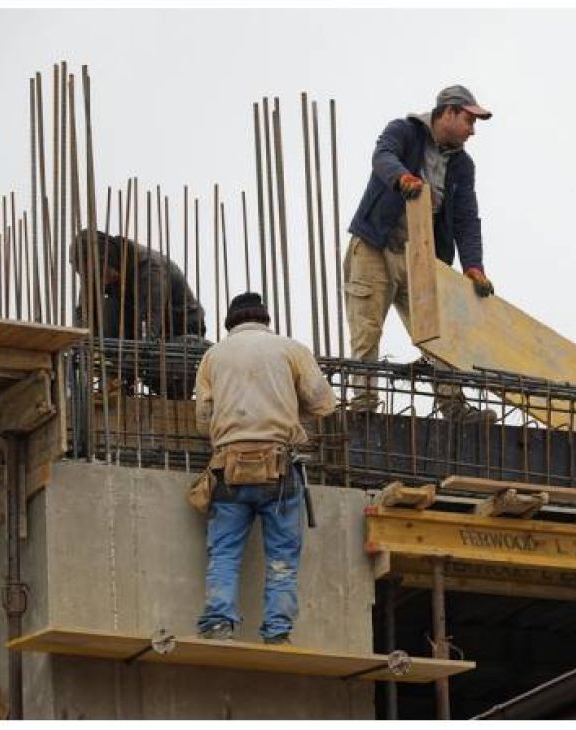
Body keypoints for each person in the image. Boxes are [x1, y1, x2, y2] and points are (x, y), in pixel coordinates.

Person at [344, 84, 497, 422]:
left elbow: (466, 218)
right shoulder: (404, 131)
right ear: (449, 112)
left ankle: (454, 409)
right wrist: (402, 178)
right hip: (375, 247)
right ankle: (365, 408)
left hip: (420, 256)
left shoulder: (462, 165)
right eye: (469, 121)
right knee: (367, 330)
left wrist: (473, 265)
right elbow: (382, 157)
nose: (473, 131)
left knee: (439, 333)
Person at [194, 292, 337, 644]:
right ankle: (277, 633)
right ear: (265, 319)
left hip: (229, 469)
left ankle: (218, 625)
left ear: (230, 323)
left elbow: (202, 420)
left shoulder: (213, 356)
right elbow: (323, 404)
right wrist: (287, 406)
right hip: (278, 468)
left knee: (224, 552)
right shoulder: (290, 349)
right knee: (282, 558)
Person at [70, 229, 206, 395]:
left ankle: (126, 377)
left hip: (176, 334)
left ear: (107, 260)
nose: (99, 280)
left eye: (100, 273)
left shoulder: (150, 269)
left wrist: (120, 371)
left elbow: (148, 331)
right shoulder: (96, 274)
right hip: (134, 329)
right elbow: (83, 318)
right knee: (105, 309)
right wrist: (83, 349)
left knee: (158, 365)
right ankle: (119, 376)